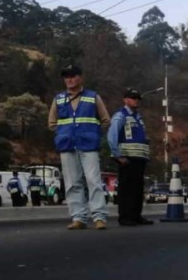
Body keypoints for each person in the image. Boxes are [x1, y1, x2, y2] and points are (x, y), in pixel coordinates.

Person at [48, 64, 110, 230]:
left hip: (88, 145)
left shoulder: (92, 97)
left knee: (93, 181)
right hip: (67, 146)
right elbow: (52, 123)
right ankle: (79, 218)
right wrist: (63, 134)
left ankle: (99, 217)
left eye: (73, 76)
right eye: (66, 76)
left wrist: (93, 133)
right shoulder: (59, 99)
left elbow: (105, 120)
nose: (69, 79)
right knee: (72, 183)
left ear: (80, 78)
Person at [107, 88, 154, 226]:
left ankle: (136, 215)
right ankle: (125, 217)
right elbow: (112, 136)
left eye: (138, 98)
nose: (136, 101)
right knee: (126, 189)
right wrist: (118, 155)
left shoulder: (138, 117)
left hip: (139, 159)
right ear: (125, 100)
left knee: (137, 189)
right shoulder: (120, 116)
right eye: (133, 98)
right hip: (127, 159)